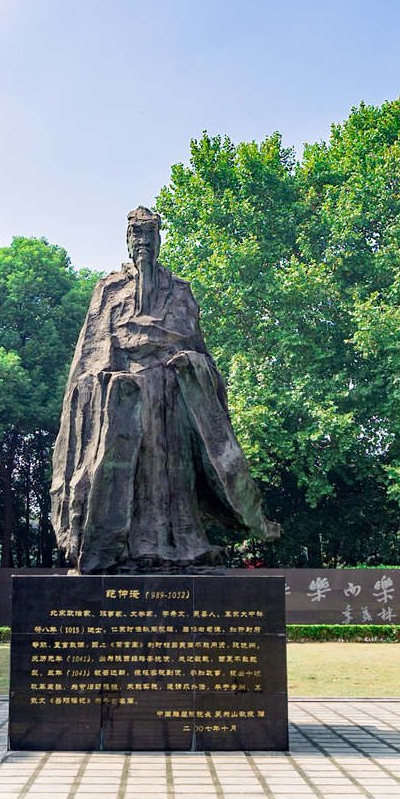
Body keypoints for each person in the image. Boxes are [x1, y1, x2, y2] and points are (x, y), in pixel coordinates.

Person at [51, 206, 280, 572]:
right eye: (136, 235)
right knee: (130, 471)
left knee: (175, 474)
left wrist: (193, 366)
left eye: (149, 234)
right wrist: (108, 380)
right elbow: (89, 356)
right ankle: (122, 548)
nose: (143, 241)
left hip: (173, 395)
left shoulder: (181, 291)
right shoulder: (108, 289)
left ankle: (182, 546)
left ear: (159, 240)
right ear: (127, 241)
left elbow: (202, 352)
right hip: (124, 397)